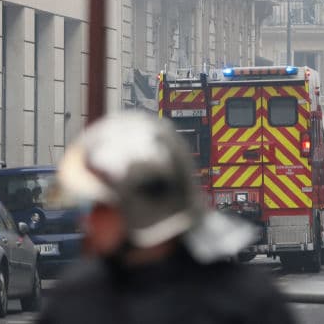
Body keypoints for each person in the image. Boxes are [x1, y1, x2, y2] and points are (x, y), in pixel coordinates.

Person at [39, 111, 295, 324]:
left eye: (102, 208)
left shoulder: (245, 304)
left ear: (144, 210)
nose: (88, 222)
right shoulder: (76, 299)